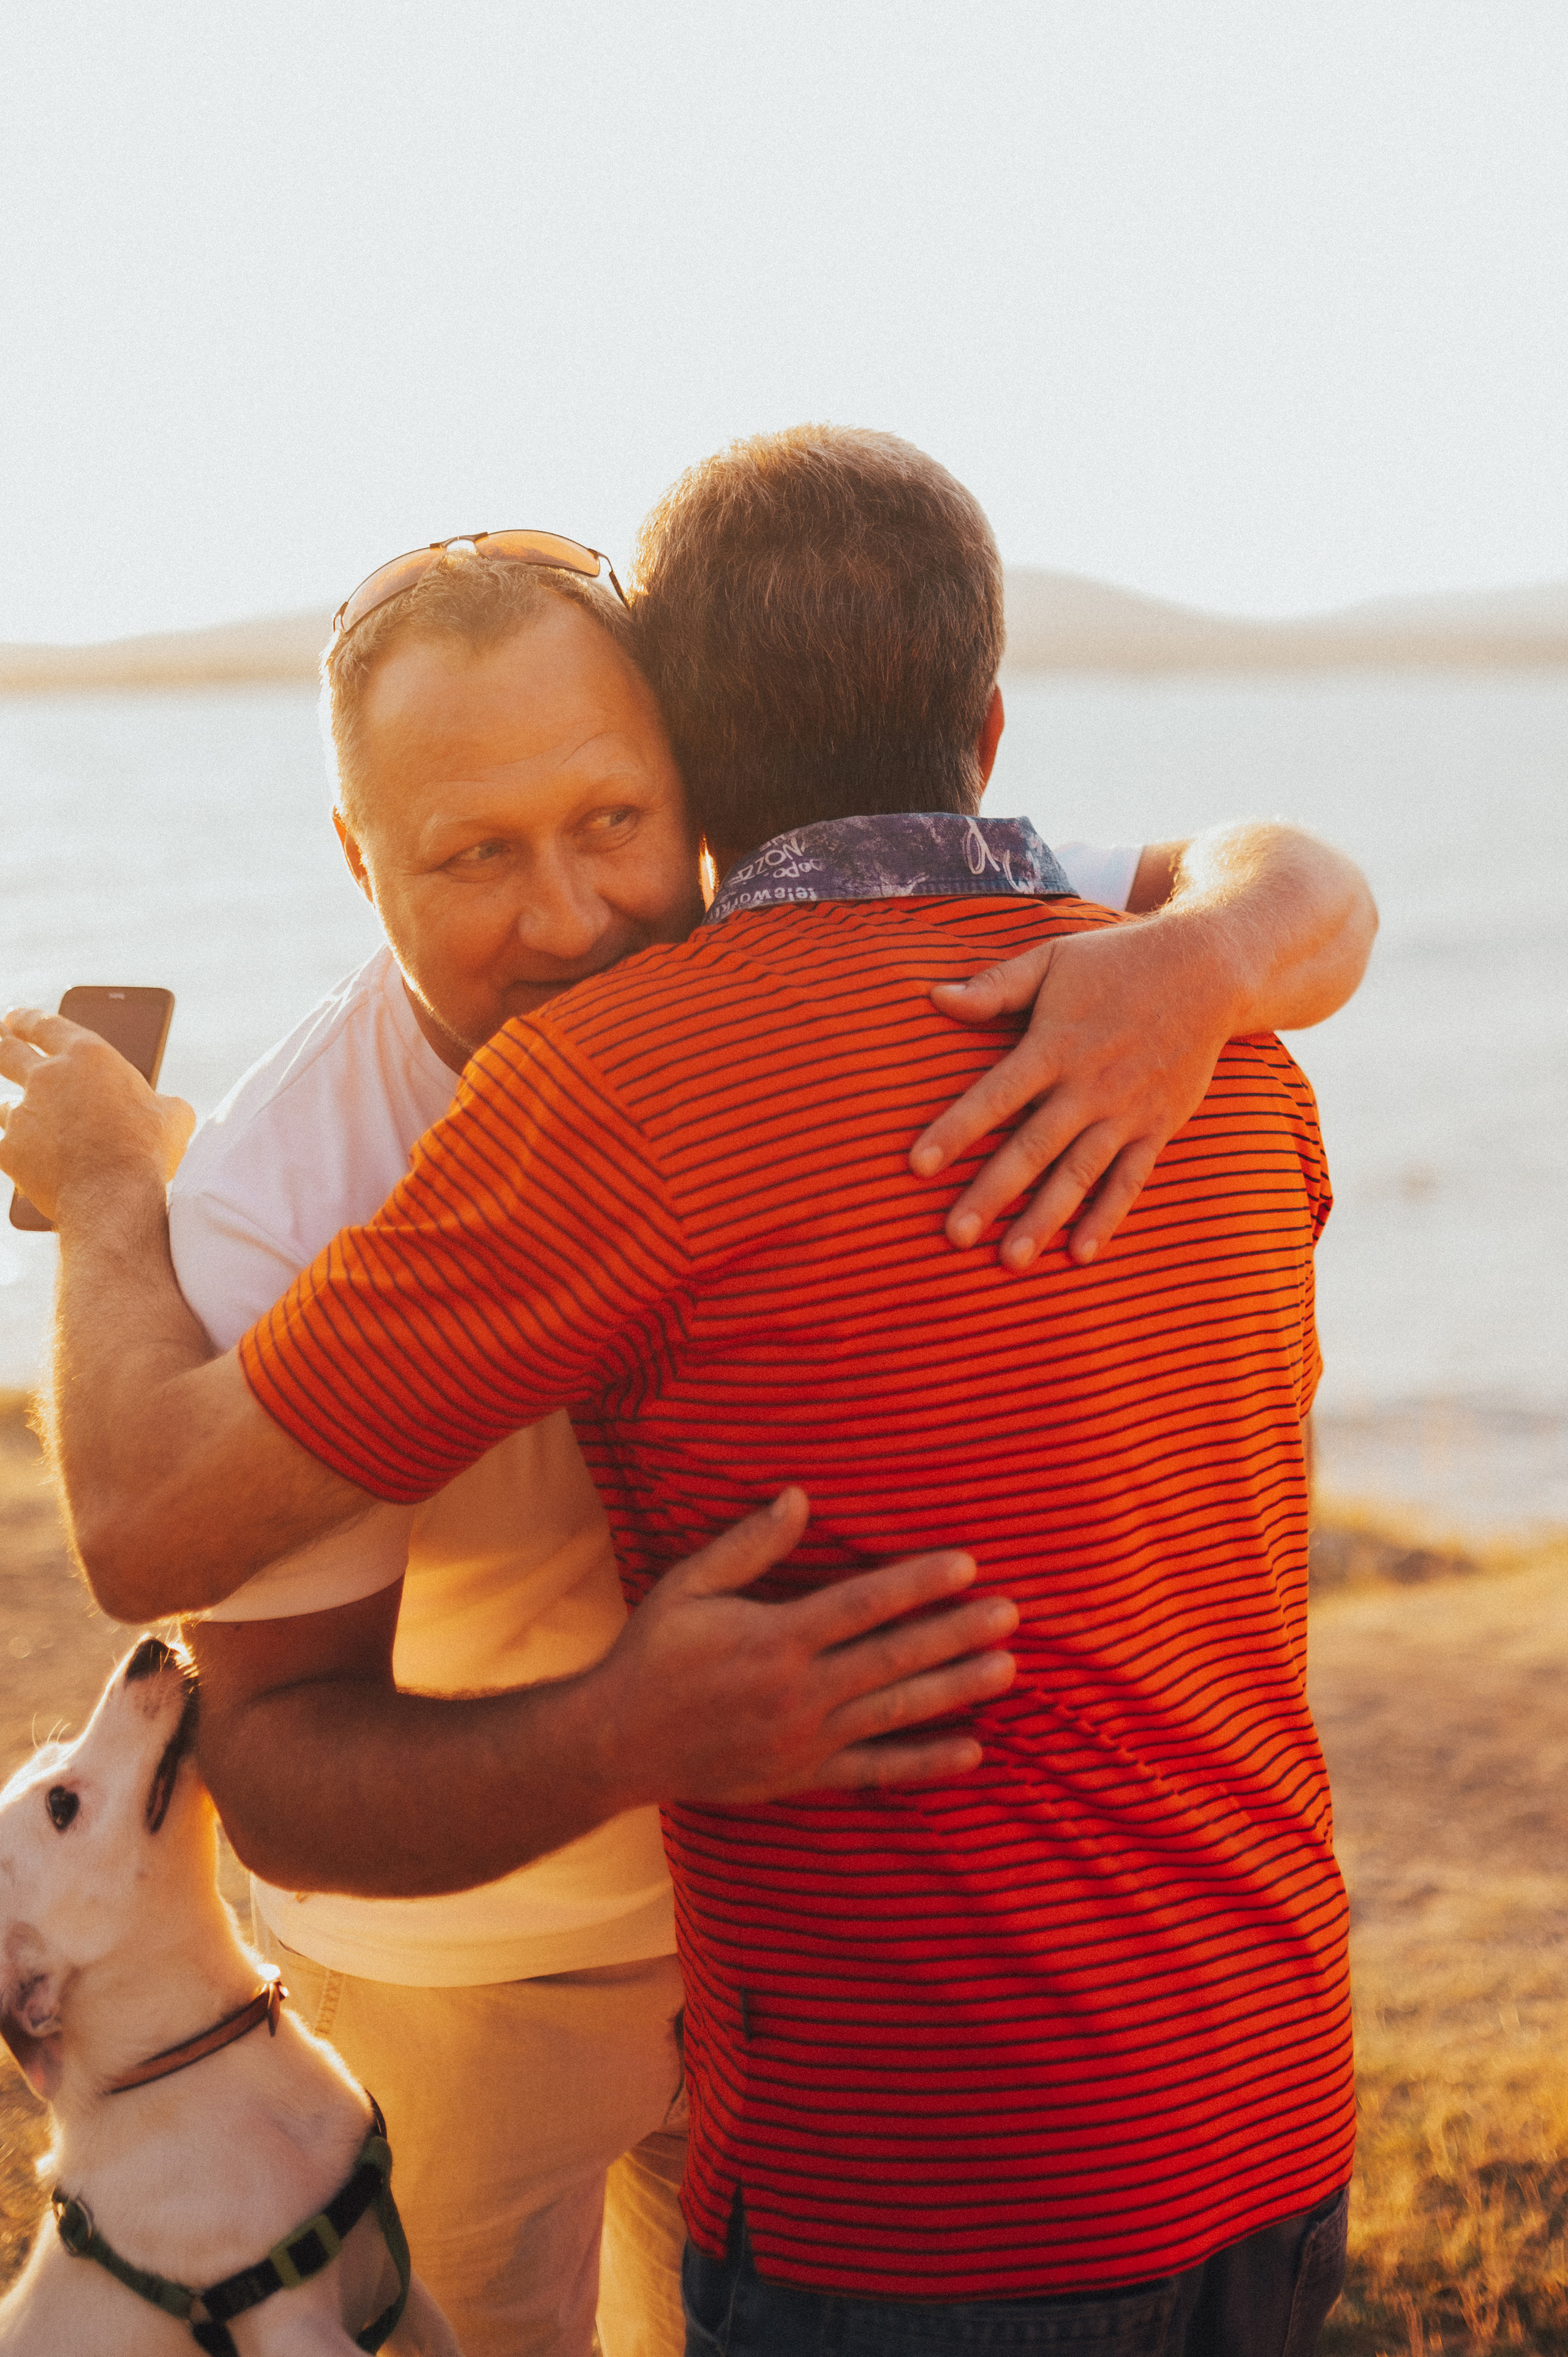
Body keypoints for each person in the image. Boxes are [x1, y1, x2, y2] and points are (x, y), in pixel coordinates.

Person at [0, 429, 1369, 2356]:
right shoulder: (280, 1194)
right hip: (510, 1979)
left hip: (851, 2081)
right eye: (474, 855)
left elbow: (1288, 885)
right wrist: (118, 1198)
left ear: (701, 785)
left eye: (612, 822)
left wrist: (1214, 949)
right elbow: (172, 1573)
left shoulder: (1127, 1004)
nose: (568, 919)